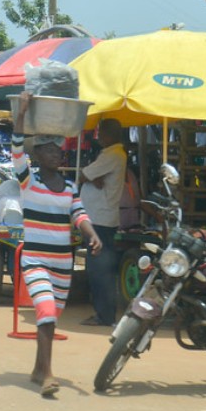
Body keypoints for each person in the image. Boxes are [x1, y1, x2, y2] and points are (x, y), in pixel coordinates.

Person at [13, 92, 101, 397]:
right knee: (47, 311)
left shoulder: (70, 187)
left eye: (58, 150)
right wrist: (22, 112)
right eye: (48, 150)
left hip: (63, 264)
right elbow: (15, 151)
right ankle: (49, 374)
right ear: (36, 155)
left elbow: (79, 213)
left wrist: (92, 233)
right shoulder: (28, 182)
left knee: (49, 316)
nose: (55, 154)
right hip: (35, 260)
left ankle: (38, 369)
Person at [78, 118, 126, 327]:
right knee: (98, 268)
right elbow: (90, 176)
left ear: (108, 134)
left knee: (100, 269)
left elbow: (83, 175)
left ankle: (104, 315)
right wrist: (91, 177)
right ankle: (102, 313)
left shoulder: (114, 154)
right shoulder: (111, 155)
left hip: (100, 219)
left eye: (100, 133)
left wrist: (89, 176)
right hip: (99, 217)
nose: (98, 137)